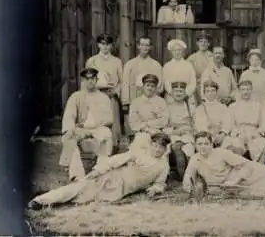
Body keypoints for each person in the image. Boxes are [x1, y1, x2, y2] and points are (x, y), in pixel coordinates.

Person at [28, 132, 171, 210]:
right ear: (151, 144)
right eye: (155, 145)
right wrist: (98, 171)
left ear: (165, 149)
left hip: (121, 189)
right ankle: (40, 201)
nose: (157, 149)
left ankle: (50, 200)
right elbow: (115, 161)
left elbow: (160, 183)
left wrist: (155, 189)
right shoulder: (139, 152)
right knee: (80, 188)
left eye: (161, 147)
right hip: (112, 177)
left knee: (84, 199)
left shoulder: (163, 165)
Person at [58, 68, 114, 181]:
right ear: (83, 80)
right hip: (80, 130)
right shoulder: (76, 96)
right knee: (70, 136)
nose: (90, 81)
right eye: (87, 79)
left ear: (96, 79)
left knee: (106, 134)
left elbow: (109, 119)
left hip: (97, 129)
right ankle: (77, 175)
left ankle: (101, 168)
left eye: (92, 78)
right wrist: (72, 128)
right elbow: (69, 116)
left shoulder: (104, 98)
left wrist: (91, 126)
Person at [85, 33, 123, 152]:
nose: (105, 47)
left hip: (111, 95)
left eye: (108, 44)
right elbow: (87, 79)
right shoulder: (92, 61)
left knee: (112, 120)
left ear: (111, 46)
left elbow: (122, 81)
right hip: (97, 95)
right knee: (98, 121)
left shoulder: (117, 61)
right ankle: (98, 149)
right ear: (98, 45)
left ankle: (113, 148)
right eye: (103, 44)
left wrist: (115, 91)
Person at [121, 36, 163, 139]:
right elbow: (125, 83)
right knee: (134, 126)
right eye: (142, 45)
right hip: (134, 97)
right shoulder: (130, 64)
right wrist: (125, 102)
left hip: (150, 99)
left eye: (147, 45)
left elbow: (160, 85)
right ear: (138, 46)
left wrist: (153, 98)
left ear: (150, 47)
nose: (144, 48)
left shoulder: (156, 65)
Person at [223, 80, 265, 163]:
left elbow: (263, 123)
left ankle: (258, 168)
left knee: (264, 145)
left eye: (248, 89)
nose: (246, 92)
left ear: (251, 90)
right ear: (239, 91)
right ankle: (238, 168)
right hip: (239, 133)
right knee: (233, 144)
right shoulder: (233, 106)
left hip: (254, 133)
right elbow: (231, 124)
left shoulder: (258, 106)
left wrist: (256, 133)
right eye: (243, 89)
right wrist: (238, 133)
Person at [164, 81, 197, 179]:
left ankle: (190, 176)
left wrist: (190, 129)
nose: (178, 94)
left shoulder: (191, 108)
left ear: (185, 93)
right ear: (172, 93)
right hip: (173, 136)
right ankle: (181, 176)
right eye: (176, 91)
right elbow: (164, 127)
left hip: (188, 136)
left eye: (181, 91)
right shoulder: (167, 108)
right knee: (176, 149)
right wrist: (174, 131)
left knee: (189, 150)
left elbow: (196, 125)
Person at [128, 74, 168, 150]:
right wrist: (145, 128)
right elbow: (133, 123)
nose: (150, 88)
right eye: (147, 85)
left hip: (157, 132)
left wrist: (148, 124)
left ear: (156, 88)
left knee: (160, 148)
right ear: (143, 86)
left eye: (152, 86)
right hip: (142, 132)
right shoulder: (135, 102)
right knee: (140, 147)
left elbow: (164, 120)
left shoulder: (161, 102)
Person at [194, 80, 236, 151]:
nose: (211, 93)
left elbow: (227, 123)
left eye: (213, 90)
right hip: (206, 137)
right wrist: (211, 137)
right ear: (204, 93)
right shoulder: (200, 109)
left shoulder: (223, 107)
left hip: (221, 136)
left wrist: (222, 134)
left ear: (216, 92)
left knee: (230, 144)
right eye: (208, 91)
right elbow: (200, 125)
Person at [162, 39, 197, 105]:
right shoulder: (167, 66)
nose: (177, 52)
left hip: (187, 97)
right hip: (171, 97)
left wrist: (186, 93)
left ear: (183, 51)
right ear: (171, 52)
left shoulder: (189, 65)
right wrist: (172, 93)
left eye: (179, 50)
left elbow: (193, 82)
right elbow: (166, 82)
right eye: (174, 50)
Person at [187, 31, 213, 104]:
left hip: (211, 88)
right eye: (201, 41)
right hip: (196, 88)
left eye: (205, 42)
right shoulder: (191, 58)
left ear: (209, 44)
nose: (203, 43)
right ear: (197, 43)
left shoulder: (213, 57)